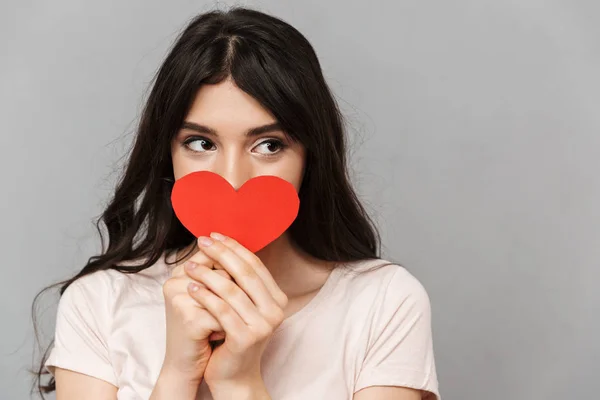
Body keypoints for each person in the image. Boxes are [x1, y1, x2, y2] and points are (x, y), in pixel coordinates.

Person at [34, 7, 440, 400]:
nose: (232, 179)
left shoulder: (383, 303)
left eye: (268, 145)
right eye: (201, 143)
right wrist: (177, 373)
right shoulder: (100, 303)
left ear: (310, 156)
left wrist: (239, 384)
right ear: (167, 153)